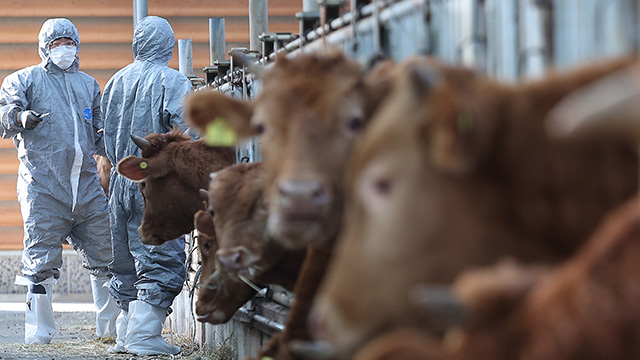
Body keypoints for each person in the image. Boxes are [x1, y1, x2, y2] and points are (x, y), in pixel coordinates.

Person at [0, 18, 119, 344]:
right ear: (44, 47)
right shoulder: (25, 80)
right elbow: (2, 114)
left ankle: (110, 331)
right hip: (43, 187)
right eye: (56, 44)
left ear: (77, 46)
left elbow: (99, 134)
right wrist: (21, 117)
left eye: (69, 42)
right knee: (40, 262)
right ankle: (39, 335)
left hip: (86, 186)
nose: (64, 49)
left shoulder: (88, 85)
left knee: (107, 254)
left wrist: (124, 152)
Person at [101, 16, 193, 356]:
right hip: (155, 184)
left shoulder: (115, 81)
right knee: (161, 254)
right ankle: (144, 336)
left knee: (125, 257)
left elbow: (105, 134)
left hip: (121, 180)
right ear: (168, 45)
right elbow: (188, 133)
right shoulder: (173, 81)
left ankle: (126, 334)